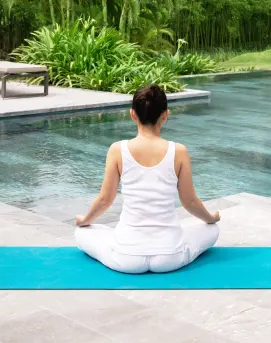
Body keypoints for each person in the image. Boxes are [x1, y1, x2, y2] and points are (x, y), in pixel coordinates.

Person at [75, 83, 221, 274]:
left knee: (82, 232)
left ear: (132, 114)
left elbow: (105, 199)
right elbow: (189, 201)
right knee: (212, 230)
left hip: (126, 258)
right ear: (165, 115)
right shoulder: (179, 151)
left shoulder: (117, 150)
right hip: (170, 256)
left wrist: (85, 220)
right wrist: (211, 218)